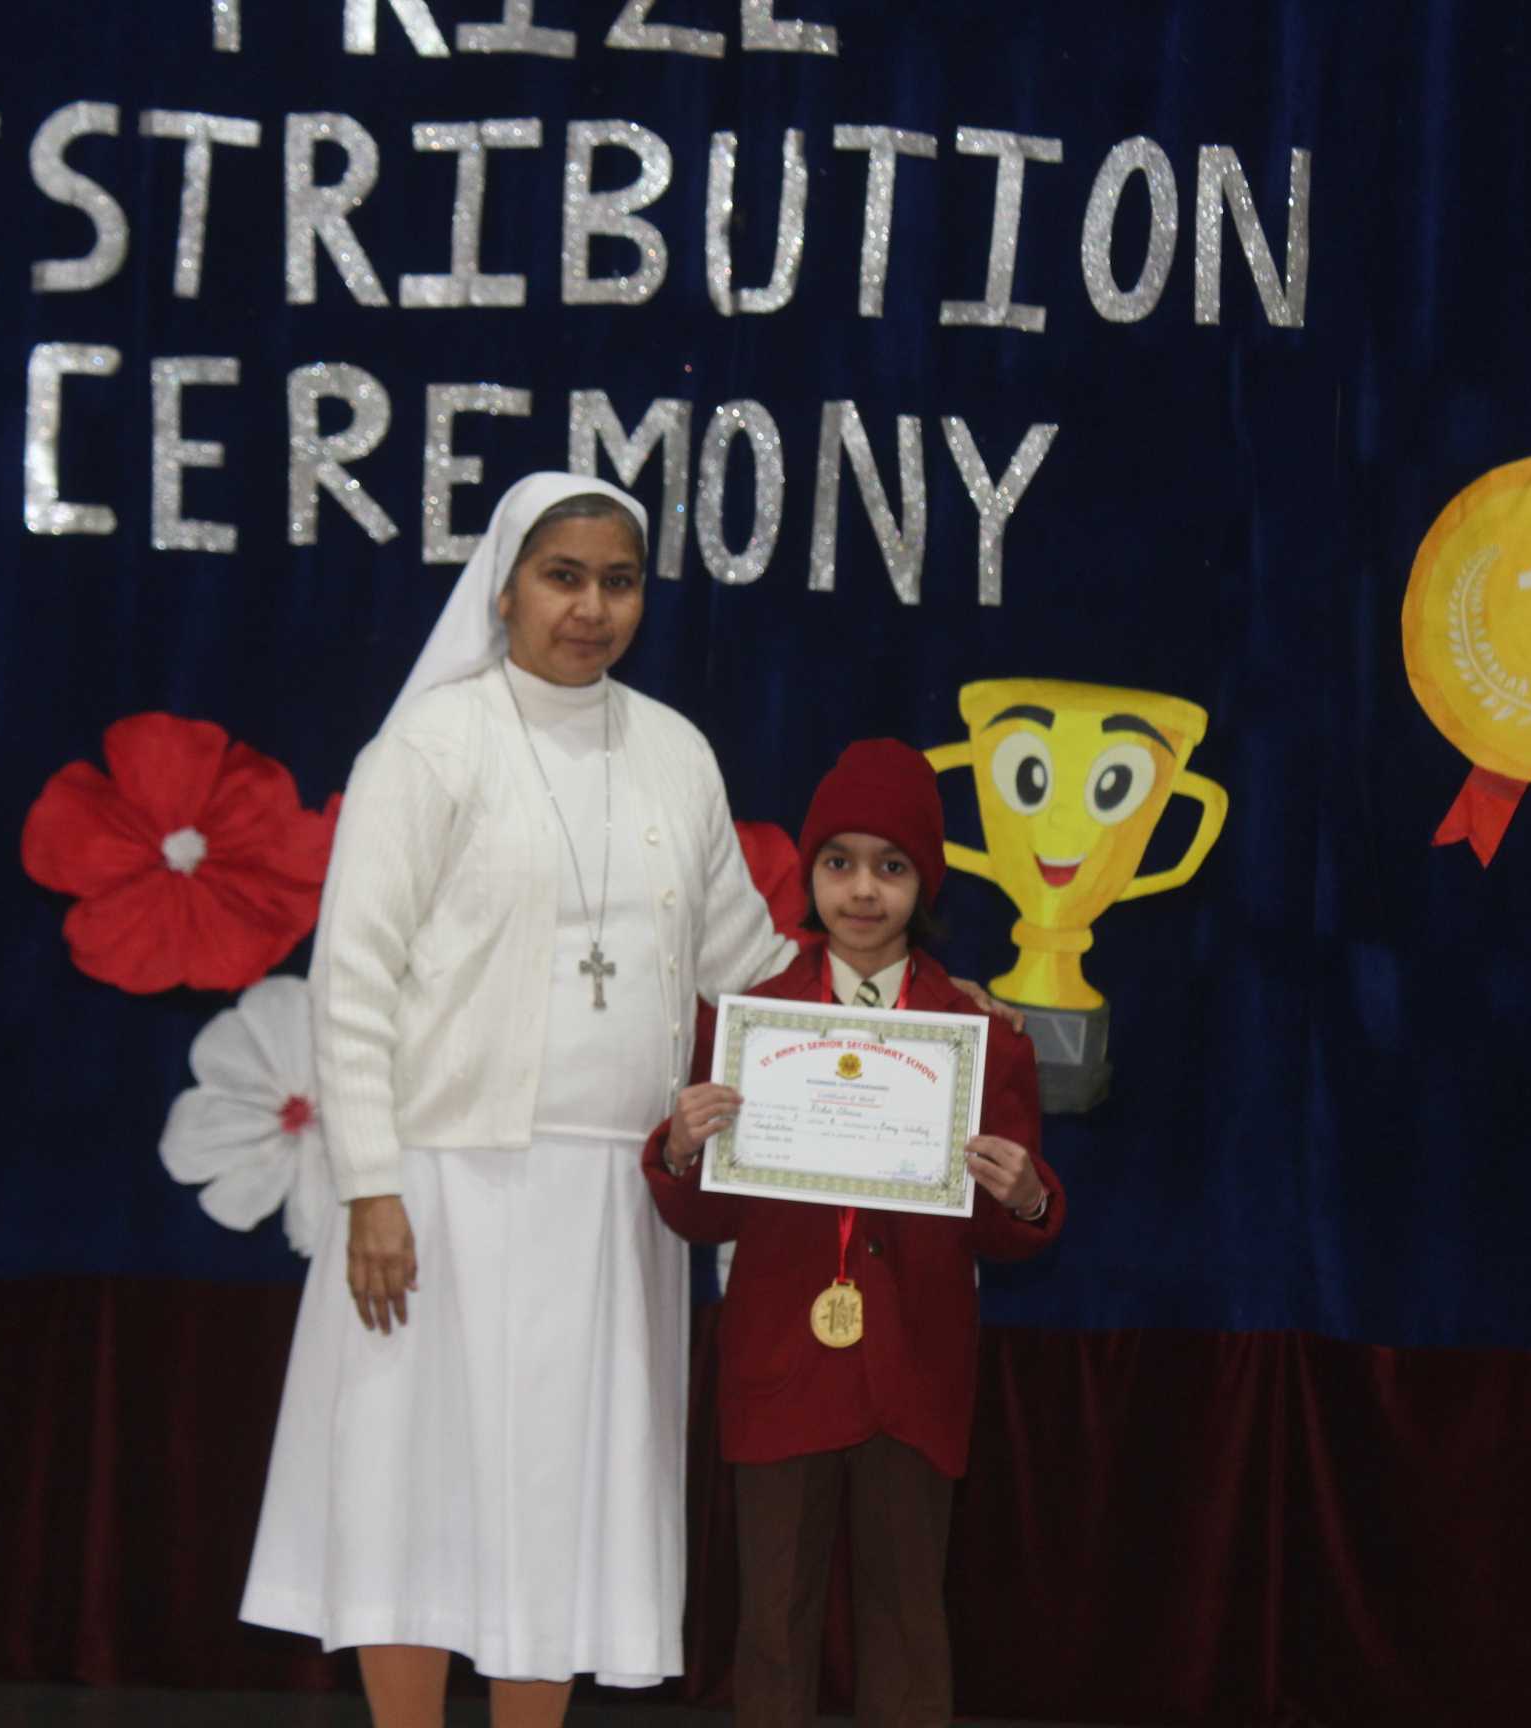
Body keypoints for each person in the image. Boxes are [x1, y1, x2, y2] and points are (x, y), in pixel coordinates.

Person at [239, 473, 803, 1724]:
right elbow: (353, 978)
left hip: (615, 1200)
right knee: (412, 1490)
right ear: (504, 591)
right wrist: (369, 1187)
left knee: (562, 1502)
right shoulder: (430, 746)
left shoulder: (674, 752)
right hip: (441, 1185)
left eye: (619, 582)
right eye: (564, 578)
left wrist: (903, 1020)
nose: (592, 608)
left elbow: (750, 965)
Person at [640, 739, 1067, 1728]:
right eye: (839, 863)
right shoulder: (750, 1025)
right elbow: (707, 1215)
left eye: (891, 865)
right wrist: (680, 1149)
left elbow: (1009, 1236)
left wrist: (1024, 1198)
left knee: (908, 1624)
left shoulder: (981, 1039)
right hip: (780, 1364)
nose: (863, 890)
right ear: (811, 873)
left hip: (915, 1366)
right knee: (772, 1626)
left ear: (926, 883)